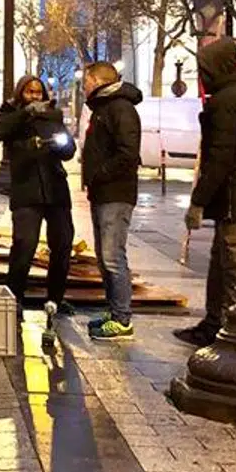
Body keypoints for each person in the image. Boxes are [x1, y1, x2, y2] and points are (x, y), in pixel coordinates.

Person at [176, 36, 236, 347]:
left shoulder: (225, 103)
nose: (201, 76)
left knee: (232, 267)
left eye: (203, 69)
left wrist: (198, 203)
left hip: (234, 199)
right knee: (220, 265)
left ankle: (232, 330)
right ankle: (214, 324)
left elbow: (219, 158)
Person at [0, 75, 76, 320]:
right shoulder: (10, 116)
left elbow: (69, 150)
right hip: (27, 190)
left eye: (38, 93)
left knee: (62, 245)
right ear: (20, 94)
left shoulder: (53, 117)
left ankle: (55, 299)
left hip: (55, 189)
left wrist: (58, 146)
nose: (35, 97)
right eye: (30, 92)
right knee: (24, 245)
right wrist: (26, 114)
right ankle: (15, 298)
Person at [79, 62, 142, 342]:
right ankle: (115, 312)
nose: (83, 87)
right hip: (103, 191)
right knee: (106, 258)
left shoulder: (120, 108)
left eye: (85, 81)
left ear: (96, 80)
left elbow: (128, 153)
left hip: (115, 192)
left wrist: (100, 174)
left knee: (113, 256)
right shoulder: (105, 108)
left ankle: (122, 319)